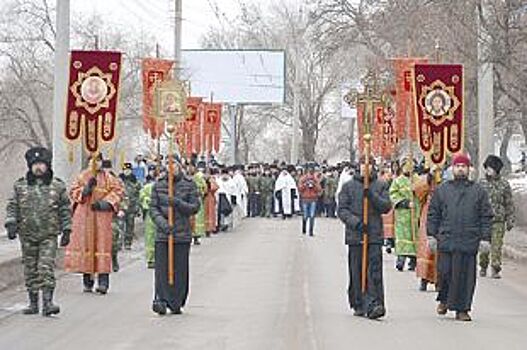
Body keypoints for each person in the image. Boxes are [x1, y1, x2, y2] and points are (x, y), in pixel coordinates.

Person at [5, 147, 71, 316]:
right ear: (30, 166)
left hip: (48, 235)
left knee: (45, 266)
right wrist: (11, 223)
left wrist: (67, 229)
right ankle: (33, 303)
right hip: (27, 235)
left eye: (41, 164)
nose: (38, 168)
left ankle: (48, 302)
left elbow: (65, 208)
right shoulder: (20, 185)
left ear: (47, 165)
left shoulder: (57, 186)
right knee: (30, 269)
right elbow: (12, 206)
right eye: (35, 165)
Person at [427, 153, 493, 321]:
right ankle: (444, 299)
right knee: (445, 273)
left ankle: (462, 309)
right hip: (447, 240)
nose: (461, 169)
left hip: (468, 240)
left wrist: (485, 238)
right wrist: (431, 235)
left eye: (464, 166)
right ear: (453, 169)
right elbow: (433, 214)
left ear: (469, 169)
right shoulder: (442, 190)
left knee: (465, 278)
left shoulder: (478, 191)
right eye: (458, 166)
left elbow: (486, 216)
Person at [337, 156, 392, 319]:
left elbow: (386, 206)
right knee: (356, 270)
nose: (366, 167)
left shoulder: (380, 185)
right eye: (363, 164)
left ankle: (375, 303)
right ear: (359, 166)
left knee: (373, 271)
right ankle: (358, 302)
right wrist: (356, 223)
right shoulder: (348, 186)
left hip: (374, 235)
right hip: (356, 236)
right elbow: (342, 210)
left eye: (369, 165)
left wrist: (372, 196)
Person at [65, 153, 125, 295]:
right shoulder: (82, 176)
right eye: (93, 160)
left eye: (98, 160)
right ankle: (88, 281)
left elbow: (118, 191)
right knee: (87, 246)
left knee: (102, 247)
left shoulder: (108, 177)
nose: (96, 163)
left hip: (102, 217)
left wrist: (106, 203)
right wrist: (85, 190)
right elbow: (73, 192)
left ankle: (103, 282)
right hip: (85, 217)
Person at [150, 155, 200, 315]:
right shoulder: (158, 185)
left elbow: (194, 207)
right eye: (167, 164)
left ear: (179, 165)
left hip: (181, 234)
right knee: (161, 270)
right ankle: (161, 299)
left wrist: (178, 203)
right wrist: (164, 224)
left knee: (180, 269)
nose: (170, 167)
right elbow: (153, 208)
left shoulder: (189, 185)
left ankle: (177, 300)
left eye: (173, 164)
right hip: (163, 234)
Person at [478, 155, 515, 279]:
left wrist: (510, 219)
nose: (488, 170)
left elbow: (509, 202)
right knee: (484, 246)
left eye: (491, 168)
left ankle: (495, 268)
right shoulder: (481, 184)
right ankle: (483, 265)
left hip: (499, 220)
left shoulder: (504, 184)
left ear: (497, 169)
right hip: (484, 220)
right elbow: (475, 201)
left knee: (497, 245)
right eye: (487, 168)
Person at [390, 158, 421, 271]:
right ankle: (400, 260)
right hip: (403, 214)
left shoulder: (418, 179)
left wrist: (416, 191)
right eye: (406, 166)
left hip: (416, 213)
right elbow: (393, 195)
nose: (408, 168)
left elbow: (423, 193)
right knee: (402, 238)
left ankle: (413, 261)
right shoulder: (398, 181)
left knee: (415, 237)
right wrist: (405, 203)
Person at [140, 165, 163, 269]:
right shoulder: (148, 187)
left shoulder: (167, 187)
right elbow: (142, 197)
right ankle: (151, 259)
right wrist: (149, 201)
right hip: (151, 214)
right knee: (150, 236)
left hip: (164, 214)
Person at [119, 163, 142, 250]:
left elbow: (138, 196)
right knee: (120, 226)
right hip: (121, 207)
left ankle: (128, 243)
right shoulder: (119, 181)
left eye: (128, 170)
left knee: (130, 226)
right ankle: (119, 243)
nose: (127, 172)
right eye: (125, 170)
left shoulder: (135, 181)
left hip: (131, 207)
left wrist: (137, 207)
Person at [298, 162, 323, 236]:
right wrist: (305, 185)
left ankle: (311, 231)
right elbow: (299, 188)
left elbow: (319, 189)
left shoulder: (315, 179)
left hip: (313, 199)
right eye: (309, 169)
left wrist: (314, 185)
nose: (310, 171)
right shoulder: (302, 178)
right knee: (305, 215)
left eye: (311, 170)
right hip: (305, 198)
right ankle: (304, 228)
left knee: (312, 215)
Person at [204, 166, 219, 236]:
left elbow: (215, 187)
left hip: (210, 198)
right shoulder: (202, 179)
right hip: (204, 198)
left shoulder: (212, 180)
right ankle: (204, 228)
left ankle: (210, 228)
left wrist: (209, 185)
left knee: (211, 214)